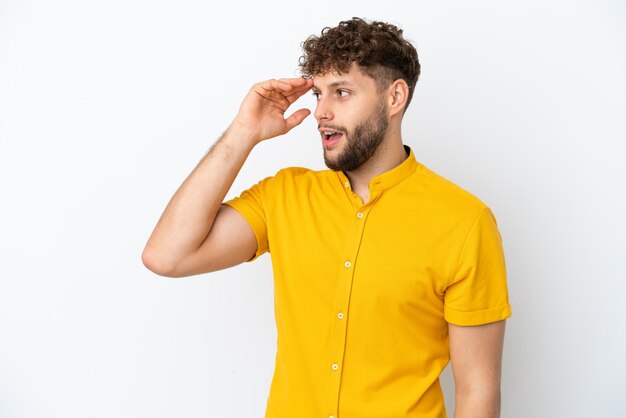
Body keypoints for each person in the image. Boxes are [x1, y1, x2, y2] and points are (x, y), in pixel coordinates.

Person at [142, 17, 512, 418]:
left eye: (342, 92)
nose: (321, 112)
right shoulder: (284, 196)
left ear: (395, 97)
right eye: (319, 94)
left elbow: (478, 390)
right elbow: (167, 256)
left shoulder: (464, 221)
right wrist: (244, 131)